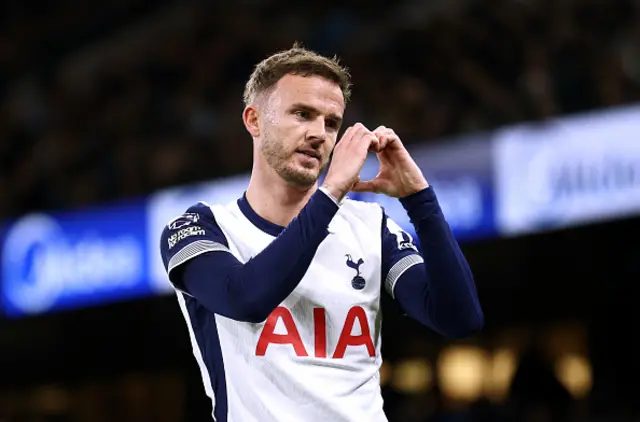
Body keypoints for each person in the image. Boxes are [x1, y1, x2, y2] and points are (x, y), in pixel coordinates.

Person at [159, 44, 484, 422]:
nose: (319, 133)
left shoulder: (370, 228)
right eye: (302, 114)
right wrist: (330, 195)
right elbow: (244, 299)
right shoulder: (200, 228)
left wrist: (420, 200)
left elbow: (459, 318)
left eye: (331, 123)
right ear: (254, 121)